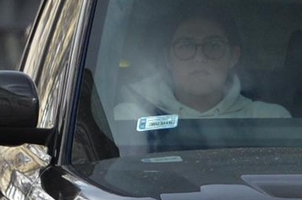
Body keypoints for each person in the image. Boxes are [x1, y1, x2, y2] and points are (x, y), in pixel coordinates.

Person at [110, 9, 289, 127]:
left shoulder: (269, 119)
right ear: (167, 58)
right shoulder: (132, 117)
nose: (199, 58)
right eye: (185, 45)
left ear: (233, 56)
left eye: (213, 45)